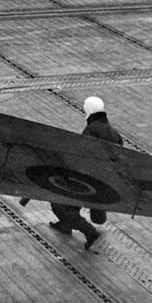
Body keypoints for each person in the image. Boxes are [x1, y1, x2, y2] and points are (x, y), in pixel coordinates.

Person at [49, 96, 123, 249]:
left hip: (89, 179)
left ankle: (89, 231)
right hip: (105, 182)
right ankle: (66, 225)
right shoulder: (115, 134)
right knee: (71, 203)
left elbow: (82, 157)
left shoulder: (91, 130)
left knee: (58, 204)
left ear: (88, 111)